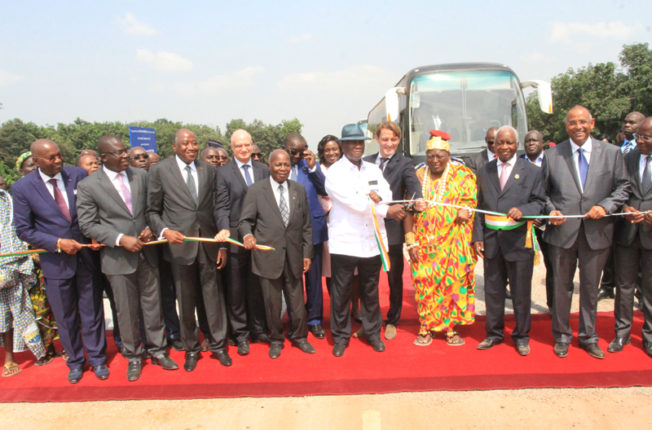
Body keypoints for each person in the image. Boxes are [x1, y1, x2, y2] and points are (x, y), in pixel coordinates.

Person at [77, 135, 178, 381]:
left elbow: (153, 210)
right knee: (126, 311)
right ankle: (134, 356)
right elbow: (88, 224)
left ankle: (158, 350)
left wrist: (151, 228)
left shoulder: (141, 176)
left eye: (125, 151)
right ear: (104, 158)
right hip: (117, 258)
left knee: (152, 306)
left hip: (147, 253)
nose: (125, 156)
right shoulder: (89, 186)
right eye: (119, 153)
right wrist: (121, 238)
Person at [12, 139, 107, 384]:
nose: (58, 160)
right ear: (36, 161)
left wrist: (95, 233)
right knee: (65, 317)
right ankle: (75, 361)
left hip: (87, 256)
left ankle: (97, 359)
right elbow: (24, 229)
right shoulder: (23, 188)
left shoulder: (78, 175)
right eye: (51, 158)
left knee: (92, 311)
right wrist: (56, 242)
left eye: (59, 155)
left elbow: (94, 209)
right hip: (55, 262)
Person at [542, 105, 630, 359]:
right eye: (572, 123)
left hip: (598, 231)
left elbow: (623, 187)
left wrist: (605, 206)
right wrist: (551, 210)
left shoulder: (612, 153)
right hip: (562, 232)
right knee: (561, 287)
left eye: (582, 122)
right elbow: (542, 193)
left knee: (590, 288)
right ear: (566, 126)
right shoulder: (552, 155)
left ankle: (589, 337)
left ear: (592, 123)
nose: (578, 127)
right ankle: (561, 336)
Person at [147, 129, 232, 371]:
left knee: (213, 299)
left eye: (194, 143)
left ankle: (218, 346)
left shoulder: (207, 170)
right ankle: (192, 348)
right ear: (174, 147)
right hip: (179, 248)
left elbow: (218, 208)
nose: (191, 147)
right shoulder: (160, 170)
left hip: (207, 245)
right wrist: (164, 231)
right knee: (185, 302)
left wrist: (222, 243)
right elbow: (152, 211)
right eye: (185, 144)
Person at [473, 126, 546, 355]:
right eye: (499, 143)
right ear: (493, 145)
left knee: (520, 292)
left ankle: (521, 336)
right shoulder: (484, 171)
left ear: (517, 145)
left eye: (509, 143)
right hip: (492, 241)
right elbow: (477, 207)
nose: (504, 147)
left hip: (518, 242)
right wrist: (477, 237)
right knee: (493, 291)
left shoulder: (532, 171)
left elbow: (540, 203)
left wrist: (523, 210)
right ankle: (494, 334)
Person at [239, 150, 315, 358]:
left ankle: (300, 337)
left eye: (286, 165)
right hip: (267, 257)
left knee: (297, 303)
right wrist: (247, 236)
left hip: (294, 257)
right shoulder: (256, 190)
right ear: (269, 166)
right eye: (278, 165)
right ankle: (276, 339)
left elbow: (306, 225)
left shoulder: (298, 190)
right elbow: (245, 221)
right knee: (272, 305)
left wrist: (307, 253)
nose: (283, 169)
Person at [404, 131, 477, 346]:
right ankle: (425, 326)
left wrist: (467, 212)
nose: (435, 161)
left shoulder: (462, 175)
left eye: (439, 156)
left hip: (453, 243)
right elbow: (408, 209)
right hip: (424, 243)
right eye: (430, 156)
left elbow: (471, 203)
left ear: (448, 155)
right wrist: (411, 242)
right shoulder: (416, 176)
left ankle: (450, 328)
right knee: (425, 283)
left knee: (451, 284)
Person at [325, 123, 391, 357]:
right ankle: (341, 336)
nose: (357, 146)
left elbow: (387, 194)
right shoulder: (335, 173)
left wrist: (379, 199)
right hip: (345, 241)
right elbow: (353, 203)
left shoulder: (373, 169)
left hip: (370, 241)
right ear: (343, 145)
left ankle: (372, 333)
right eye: (352, 142)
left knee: (370, 291)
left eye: (360, 142)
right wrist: (381, 206)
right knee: (341, 292)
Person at [363, 121, 422, 340]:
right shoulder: (365, 162)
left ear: (398, 140)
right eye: (385, 139)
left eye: (393, 139)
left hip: (392, 232)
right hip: (368, 229)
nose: (389, 144)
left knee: (393, 279)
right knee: (368, 279)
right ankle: (370, 321)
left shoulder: (405, 163)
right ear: (377, 139)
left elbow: (414, 187)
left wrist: (418, 200)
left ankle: (393, 319)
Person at [216, 129, 270, 354]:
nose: (244, 149)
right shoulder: (224, 173)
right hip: (236, 239)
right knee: (237, 288)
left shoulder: (263, 170)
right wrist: (224, 229)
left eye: (247, 145)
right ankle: (241, 333)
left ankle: (259, 328)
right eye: (239, 146)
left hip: (260, 237)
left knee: (257, 286)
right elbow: (221, 206)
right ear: (232, 148)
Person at [609, 116, 652, 357]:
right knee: (624, 286)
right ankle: (621, 333)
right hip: (627, 233)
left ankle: (649, 336)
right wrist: (624, 208)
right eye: (638, 137)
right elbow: (619, 190)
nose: (640, 141)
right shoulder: (628, 158)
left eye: (645, 137)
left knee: (650, 288)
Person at [15, 153, 61, 364]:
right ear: (21, 171)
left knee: (61, 304)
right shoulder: (20, 193)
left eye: (35, 166)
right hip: (29, 264)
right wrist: (31, 253)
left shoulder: (50, 189)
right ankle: (45, 348)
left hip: (55, 255)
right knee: (38, 308)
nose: (33, 169)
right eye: (28, 167)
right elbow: (19, 229)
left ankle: (67, 345)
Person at [0, 182, 48, 377]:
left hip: (7, 264)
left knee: (11, 311)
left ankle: (10, 357)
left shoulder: (6, 201)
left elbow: (10, 233)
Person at [284, 133, 328, 339]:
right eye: (294, 151)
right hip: (288, 232)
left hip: (314, 230)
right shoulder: (279, 166)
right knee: (293, 279)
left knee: (313, 278)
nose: (298, 155)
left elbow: (325, 189)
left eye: (302, 150)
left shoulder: (310, 166)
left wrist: (312, 168)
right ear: (285, 149)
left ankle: (315, 319)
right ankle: (296, 318)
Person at [599, 111, 647, 301]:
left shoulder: (643, 151)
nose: (626, 125)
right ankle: (607, 286)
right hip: (618, 211)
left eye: (632, 123)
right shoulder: (618, 149)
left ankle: (641, 292)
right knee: (611, 253)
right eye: (625, 122)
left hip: (642, 216)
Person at [520, 130, 554, 310]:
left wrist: (543, 217)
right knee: (523, 268)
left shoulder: (553, 161)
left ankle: (552, 304)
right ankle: (523, 306)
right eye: (527, 141)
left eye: (534, 140)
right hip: (523, 224)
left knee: (552, 266)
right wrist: (528, 216)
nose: (531, 143)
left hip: (547, 224)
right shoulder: (517, 162)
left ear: (543, 143)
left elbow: (554, 191)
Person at [316, 135, 342, 291]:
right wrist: (332, 207)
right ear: (322, 152)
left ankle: (354, 308)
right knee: (331, 269)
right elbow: (317, 196)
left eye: (334, 149)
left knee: (352, 271)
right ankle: (336, 307)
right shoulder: (318, 170)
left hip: (348, 224)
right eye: (327, 150)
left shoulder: (348, 167)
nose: (331, 153)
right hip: (327, 223)